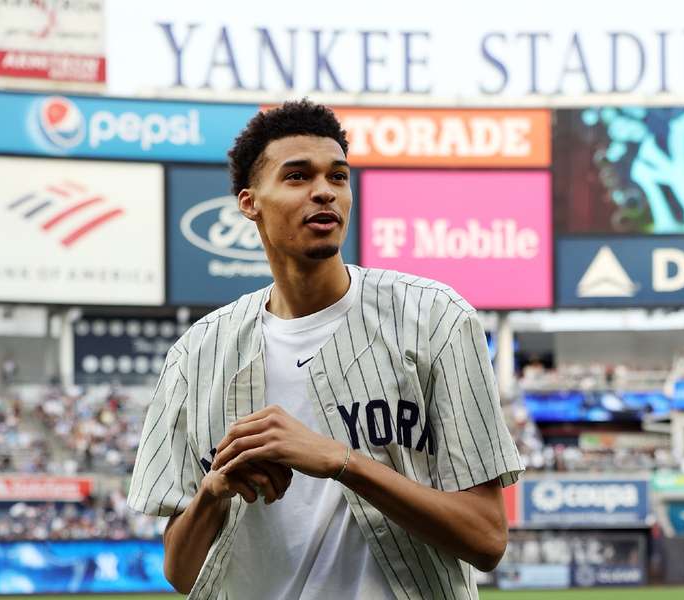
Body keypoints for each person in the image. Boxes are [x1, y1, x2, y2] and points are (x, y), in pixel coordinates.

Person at [127, 100, 523, 600]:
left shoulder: (436, 319)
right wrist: (212, 492)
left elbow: (486, 539)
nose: (324, 192)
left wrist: (341, 460)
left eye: (338, 177)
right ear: (250, 202)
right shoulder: (197, 354)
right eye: (297, 177)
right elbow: (181, 573)